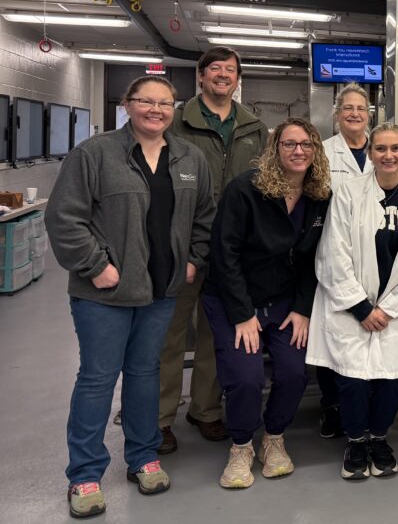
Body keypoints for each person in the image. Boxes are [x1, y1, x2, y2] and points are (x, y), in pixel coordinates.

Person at [46, 76, 216, 519]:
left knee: (145, 374)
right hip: (104, 293)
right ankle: (85, 474)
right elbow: (64, 217)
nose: (156, 110)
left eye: (165, 103)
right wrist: (95, 265)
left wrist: (194, 259)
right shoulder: (95, 154)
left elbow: (205, 215)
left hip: (162, 290)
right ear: (127, 104)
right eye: (146, 101)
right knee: (98, 379)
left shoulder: (189, 158)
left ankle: (143, 456)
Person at [203, 118, 331, 489]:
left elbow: (314, 258)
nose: (298, 151)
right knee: (246, 377)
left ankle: (274, 438)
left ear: (315, 151)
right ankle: (241, 445)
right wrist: (242, 315)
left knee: (293, 372)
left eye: (306, 144)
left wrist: (302, 308)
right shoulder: (246, 189)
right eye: (289, 144)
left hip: (285, 301)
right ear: (275, 149)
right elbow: (224, 254)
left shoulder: (319, 196)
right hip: (235, 298)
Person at [307, 123, 398, 480]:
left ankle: (379, 439)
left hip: (394, 308)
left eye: (395, 148)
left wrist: (388, 308)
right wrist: (361, 307)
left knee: (389, 380)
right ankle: (355, 442)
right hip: (351, 305)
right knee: (352, 380)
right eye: (380, 149)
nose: (388, 155)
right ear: (370, 154)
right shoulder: (348, 193)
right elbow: (333, 252)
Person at [159, 46, 268, 453]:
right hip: (183, 244)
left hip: (234, 250)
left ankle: (205, 410)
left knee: (216, 334)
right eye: (216, 69)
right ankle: (160, 418)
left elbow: (264, 183)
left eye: (231, 70)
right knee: (169, 336)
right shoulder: (177, 122)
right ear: (201, 76)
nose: (223, 75)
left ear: (238, 80)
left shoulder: (254, 127)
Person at [317, 82, 375, 437]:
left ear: (369, 114)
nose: (354, 113)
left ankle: (364, 405)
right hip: (333, 255)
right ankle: (332, 406)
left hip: (374, 258)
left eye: (360, 108)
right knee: (334, 335)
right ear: (337, 114)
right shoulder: (323, 153)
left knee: (366, 334)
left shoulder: (381, 149)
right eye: (347, 108)